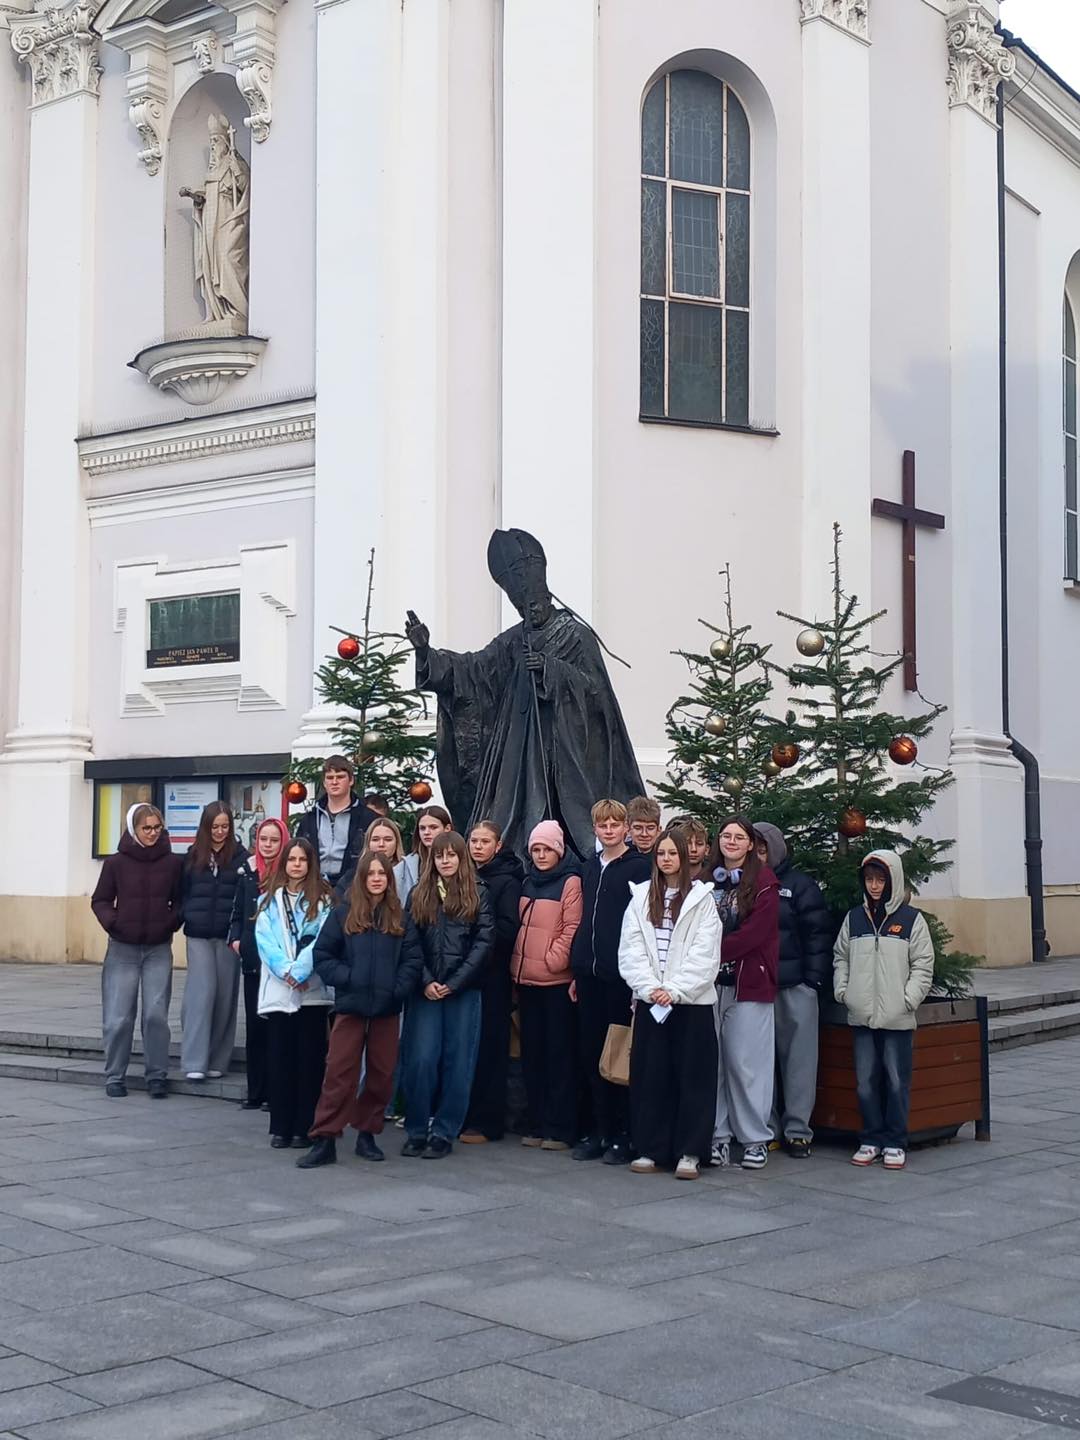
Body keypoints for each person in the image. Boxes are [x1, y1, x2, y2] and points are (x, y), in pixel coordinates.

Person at [406, 528, 643, 860]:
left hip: (568, 749)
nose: (528, 610)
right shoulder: (514, 639)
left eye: (533, 602)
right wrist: (426, 652)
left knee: (572, 821)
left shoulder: (575, 635)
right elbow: (474, 670)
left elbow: (596, 690)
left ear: (547, 595)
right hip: (519, 751)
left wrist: (550, 668)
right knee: (509, 819)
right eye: (521, 605)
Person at [299, 853, 424, 1168]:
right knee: (339, 1072)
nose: (377, 879)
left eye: (382, 873)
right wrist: (349, 978)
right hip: (351, 1007)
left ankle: (367, 1134)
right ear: (362, 878)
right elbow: (323, 955)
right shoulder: (343, 914)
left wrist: (395, 989)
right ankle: (325, 1137)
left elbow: (412, 961)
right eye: (371, 874)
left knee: (381, 1074)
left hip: (386, 1009)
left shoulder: (400, 918)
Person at [619, 827, 722, 1180]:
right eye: (660, 853)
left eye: (672, 853)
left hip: (690, 1003)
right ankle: (651, 1147)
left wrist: (676, 990)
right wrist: (650, 988)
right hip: (652, 1001)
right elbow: (631, 948)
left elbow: (705, 954)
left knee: (693, 1078)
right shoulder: (640, 897)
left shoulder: (702, 899)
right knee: (651, 1076)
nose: (666, 859)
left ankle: (689, 1152)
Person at [834, 851, 934, 1171]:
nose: (874, 886)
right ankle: (871, 1139)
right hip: (861, 1014)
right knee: (865, 1081)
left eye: (880, 880)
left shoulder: (911, 920)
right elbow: (841, 957)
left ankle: (895, 1141)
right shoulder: (854, 919)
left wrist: (908, 999)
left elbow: (923, 964)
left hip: (897, 1017)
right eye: (869, 880)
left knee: (895, 1080)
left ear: (893, 881)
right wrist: (844, 992)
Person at [401, 832, 494, 1157]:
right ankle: (416, 1129)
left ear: (461, 857)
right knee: (421, 1059)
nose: (445, 861)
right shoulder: (418, 893)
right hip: (425, 990)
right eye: (440, 855)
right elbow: (409, 940)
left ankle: (444, 1131)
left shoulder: (478, 892)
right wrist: (426, 980)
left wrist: (455, 982)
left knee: (458, 1062)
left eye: (451, 855)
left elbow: (484, 942)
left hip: (462, 990)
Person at [569, 799, 651, 1164]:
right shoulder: (589, 867)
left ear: (626, 829)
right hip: (589, 973)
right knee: (591, 1053)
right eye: (603, 825)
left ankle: (623, 1133)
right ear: (595, 829)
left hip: (621, 977)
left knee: (618, 1054)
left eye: (615, 824)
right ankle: (599, 1129)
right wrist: (577, 968)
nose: (609, 830)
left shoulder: (639, 868)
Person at [91, 803, 183, 1099]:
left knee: (156, 1015)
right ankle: (114, 1076)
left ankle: (156, 1075)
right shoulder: (115, 863)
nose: (153, 833)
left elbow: (181, 901)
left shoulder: (173, 863)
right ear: (134, 829)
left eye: (157, 827)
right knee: (118, 1017)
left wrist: (170, 922)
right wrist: (114, 922)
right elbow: (100, 900)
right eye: (147, 828)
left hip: (158, 949)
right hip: (122, 949)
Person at [753, 823, 834, 1158]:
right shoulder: (745, 885)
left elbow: (818, 934)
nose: (758, 856)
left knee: (799, 1062)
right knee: (762, 1062)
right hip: (759, 986)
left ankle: (798, 1130)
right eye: (754, 849)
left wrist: (812, 981)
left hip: (795, 986)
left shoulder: (800, 885)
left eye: (763, 849)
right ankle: (768, 1128)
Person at [255, 837, 334, 1149]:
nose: (297, 865)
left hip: (311, 992)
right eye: (292, 859)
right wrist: (286, 971)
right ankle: (281, 1127)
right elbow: (265, 941)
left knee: (309, 1062)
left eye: (303, 860)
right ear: (284, 863)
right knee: (280, 1060)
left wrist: (300, 972)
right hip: (280, 991)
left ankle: (305, 1126)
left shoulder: (323, 901)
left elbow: (321, 941)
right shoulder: (268, 901)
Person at [710, 816, 779, 1170]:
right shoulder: (706, 880)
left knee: (747, 1065)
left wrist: (709, 951)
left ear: (751, 844)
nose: (732, 842)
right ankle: (717, 1137)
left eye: (739, 837)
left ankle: (754, 1139)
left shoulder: (764, 883)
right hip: (709, 986)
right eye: (726, 835)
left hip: (748, 983)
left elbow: (756, 934)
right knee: (714, 1064)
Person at [512, 821, 583, 1151]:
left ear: (559, 850)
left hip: (555, 981)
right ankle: (536, 1121)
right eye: (536, 850)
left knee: (558, 1055)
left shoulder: (570, 882)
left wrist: (554, 960)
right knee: (533, 1054)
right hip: (526, 979)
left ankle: (560, 1126)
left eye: (547, 849)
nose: (541, 855)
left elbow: (572, 927)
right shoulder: (528, 881)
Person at [461, 820, 524, 1143]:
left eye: (485, 842)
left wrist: (476, 942)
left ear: (498, 845)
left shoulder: (506, 881)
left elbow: (508, 929)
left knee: (490, 1047)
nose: (477, 847)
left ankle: (488, 1121)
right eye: (474, 841)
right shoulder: (465, 876)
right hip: (465, 974)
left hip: (492, 974)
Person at [180, 801, 247, 1083]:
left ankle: (218, 1059)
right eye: (215, 826)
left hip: (227, 934)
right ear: (206, 827)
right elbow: (182, 891)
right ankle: (194, 1060)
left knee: (224, 996)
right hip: (198, 933)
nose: (220, 832)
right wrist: (185, 914)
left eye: (225, 826)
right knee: (201, 993)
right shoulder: (192, 856)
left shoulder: (241, 858)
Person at [228, 816, 289, 1109]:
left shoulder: (290, 871)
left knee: (277, 1028)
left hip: (279, 960)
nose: (267, 845)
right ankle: (256, 1092)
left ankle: (276, 1093)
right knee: (254, 1027)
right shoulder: (247, 871)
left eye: (274, 840)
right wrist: (236, 940)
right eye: (263, 839)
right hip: (253, 957)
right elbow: (237, 911)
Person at [296, 756, 380, 891]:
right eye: (330, 778)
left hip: (354, 887)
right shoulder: (309, 819)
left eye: (340, 777)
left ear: (351, 780)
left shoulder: (367, 819)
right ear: (324, 783)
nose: (334, 782)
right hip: (313, 887)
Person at [394, 805, 452, 907]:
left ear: (447, 828)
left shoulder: (460, 860)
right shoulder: (403, 867)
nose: (427, 832)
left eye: (433, 827)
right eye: (422, 828)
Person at [334, 815, 405, 898]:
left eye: (388, 839)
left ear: (397, 843)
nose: (381, 844)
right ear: (368, 843)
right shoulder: (352, 876)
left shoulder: (408, 873)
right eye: (375, 839)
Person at [673, 816, 711, 883]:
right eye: (688, 843)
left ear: (706, 850)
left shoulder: (715, 878)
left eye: (699, 844)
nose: (693, 849)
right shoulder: (669, 878)